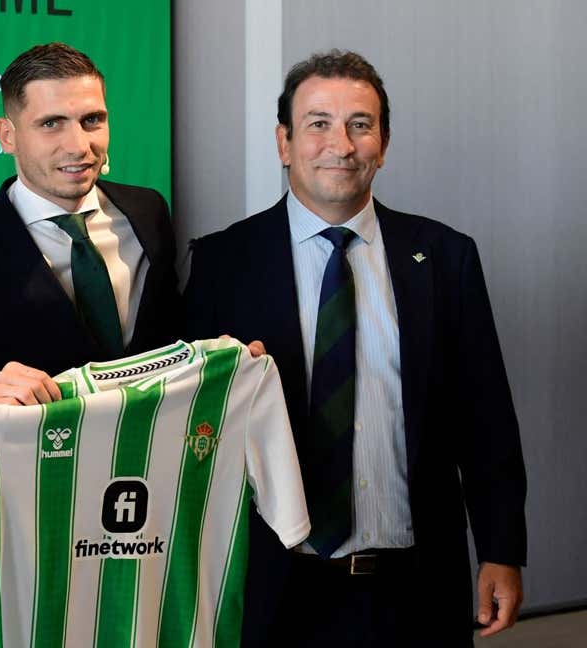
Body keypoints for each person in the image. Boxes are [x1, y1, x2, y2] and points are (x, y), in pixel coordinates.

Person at [183, 49, 526, 647]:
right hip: (274, 588)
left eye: (360, 125)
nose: (340, 143)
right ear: (284, 143)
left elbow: (485, 418)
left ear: (383, 144)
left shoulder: (444, 257)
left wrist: (501, 550)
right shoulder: (221, 263)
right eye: (317, 123)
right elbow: (187, 428)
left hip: (414, 588)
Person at [0, 42, 186, 646]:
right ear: (6, 134)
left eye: (92, 120)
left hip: (146, 523)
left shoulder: (149, 213)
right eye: (52, 124)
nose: (80, 145)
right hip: (32, 542)